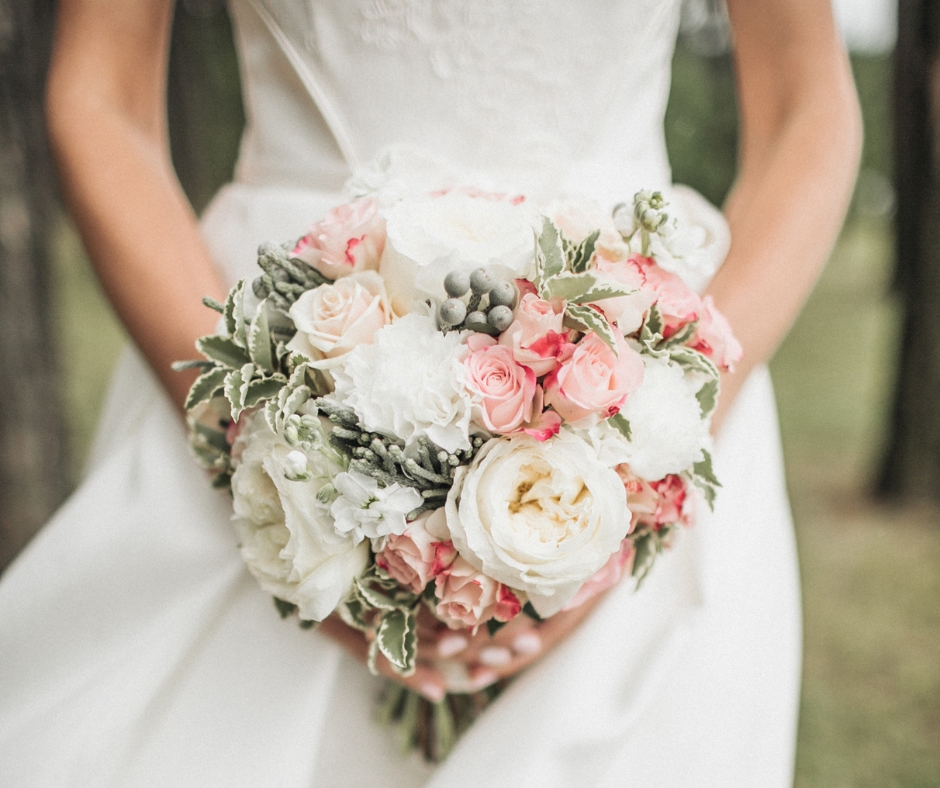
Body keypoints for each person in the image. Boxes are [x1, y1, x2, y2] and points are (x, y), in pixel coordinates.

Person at [0, 0, 860, 785]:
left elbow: (805, 112)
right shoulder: (265, 415)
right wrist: (265, 446)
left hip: (631, 359)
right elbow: (100, 96)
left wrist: (643, 462)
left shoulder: (645, 425)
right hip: (279, 332)